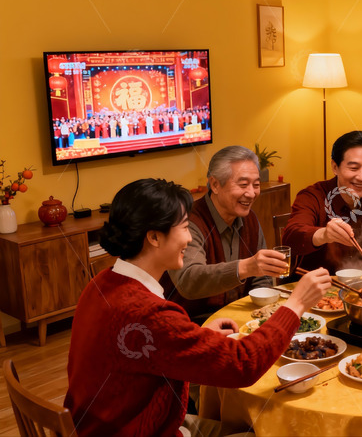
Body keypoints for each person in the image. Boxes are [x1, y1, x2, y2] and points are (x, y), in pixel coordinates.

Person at [64, 178, 331, 437]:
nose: (190, 239)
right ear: (155, 237)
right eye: (184, 228)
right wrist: (295, 304)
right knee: (265, 431)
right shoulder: (149, 313)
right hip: (143, 430)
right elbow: (243, 364)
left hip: (102, 424)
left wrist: (194, 336)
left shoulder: (102, 282)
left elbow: (153, 349)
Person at [162, 145, 287, 319]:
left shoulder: (249, 218)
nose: (251, 193)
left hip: (240, 318)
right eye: (243, 184)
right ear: (215, 184)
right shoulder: (188, 222)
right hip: (191, 322)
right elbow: (188, 280)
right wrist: (245, 267)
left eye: (256, 185)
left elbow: (261, 279)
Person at [283, 130, 362, 273]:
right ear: (335, 167)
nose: (361, 177)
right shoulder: (313, 196)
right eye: (353, 168)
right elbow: (291, 238)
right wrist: (324, 235)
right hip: (317, 288)